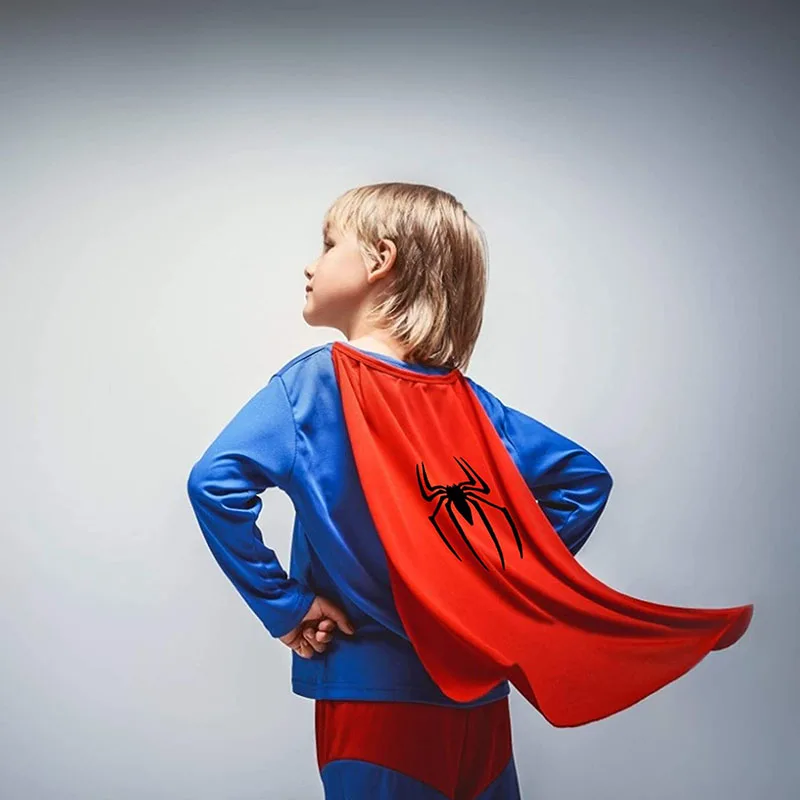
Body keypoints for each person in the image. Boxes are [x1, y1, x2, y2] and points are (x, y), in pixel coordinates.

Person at [186, 182, 752, 799]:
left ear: (380, 260)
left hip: (373, 696)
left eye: (328, 244)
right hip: (478, 697)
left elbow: (215, 483)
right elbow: (583, 480)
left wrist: (287, 606)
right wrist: (489, 582)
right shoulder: (472, 405)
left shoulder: (313, 387)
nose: (310, 264)